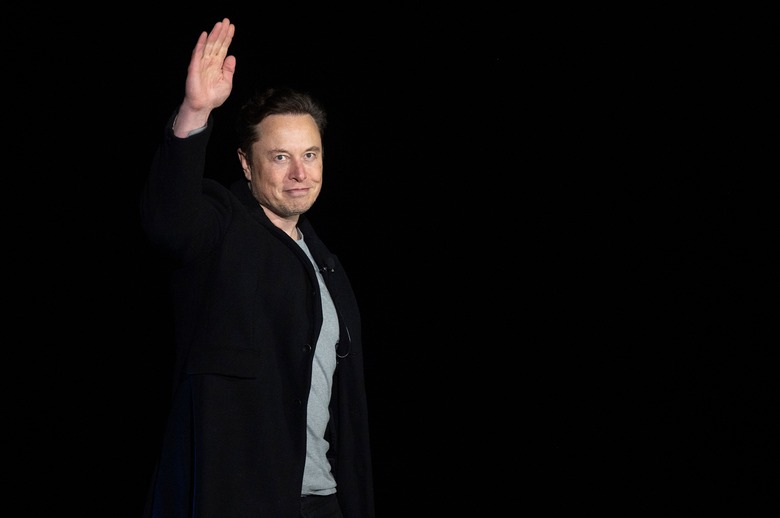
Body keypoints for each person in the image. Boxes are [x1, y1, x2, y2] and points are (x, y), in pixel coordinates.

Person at [139, 18, 375, 517]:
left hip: (322, 499)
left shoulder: (327, 265)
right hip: (240, 501)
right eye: (280, 157)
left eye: (310, 154)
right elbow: (169, 223)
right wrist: (195, 111)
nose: (300, 173)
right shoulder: (222, 226)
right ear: (247, 164)